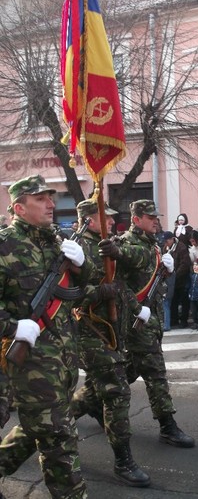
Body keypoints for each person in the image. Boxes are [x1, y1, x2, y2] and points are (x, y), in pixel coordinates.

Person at [0, 175, 93, 498]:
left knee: (35, 427)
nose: (51, 204)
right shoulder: (4, 246)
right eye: (41, 199)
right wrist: (12, 327)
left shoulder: (57, 241)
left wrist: (82, 265)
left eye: (50, 198)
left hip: (63, 362)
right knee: (59, 441)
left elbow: (80, 291)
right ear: (19, 207)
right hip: (31, 366)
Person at [98, 200, 195, 448]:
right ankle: (167, 426)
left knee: (129, 371)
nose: (156, 221)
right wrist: (136, 308)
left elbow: (151, 278)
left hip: (151, 320)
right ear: (136, 219)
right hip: (136, 322)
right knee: (155, 372)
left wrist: (167, 270)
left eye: (156, 217)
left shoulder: (153, 244)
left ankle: (84, 403)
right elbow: (120, 279)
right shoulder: (126, 244)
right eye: (150, 217)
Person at [71, 199, 150, 488]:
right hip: (90, 330)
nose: (113, 222)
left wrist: (135, 306)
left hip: (114, 329)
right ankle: (123, 461)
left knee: (94, 389)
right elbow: (65, 293)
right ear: (90, 220)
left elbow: (121, 282)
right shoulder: (75, 248)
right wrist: (96, 292)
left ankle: (58, 420)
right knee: (117, 391)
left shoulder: (108, 245)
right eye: (106, 217)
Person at [162, 231, 191, 330]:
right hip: (171, 280)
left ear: (172, 239)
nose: (166, 244)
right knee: (173, 300)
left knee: (183, 300)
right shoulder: (166, 248)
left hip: (181, 279)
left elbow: (185, 264)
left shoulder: (181, 247)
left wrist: (175, 275)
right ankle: (174, 320)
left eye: (167, 241)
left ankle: (184, 320)